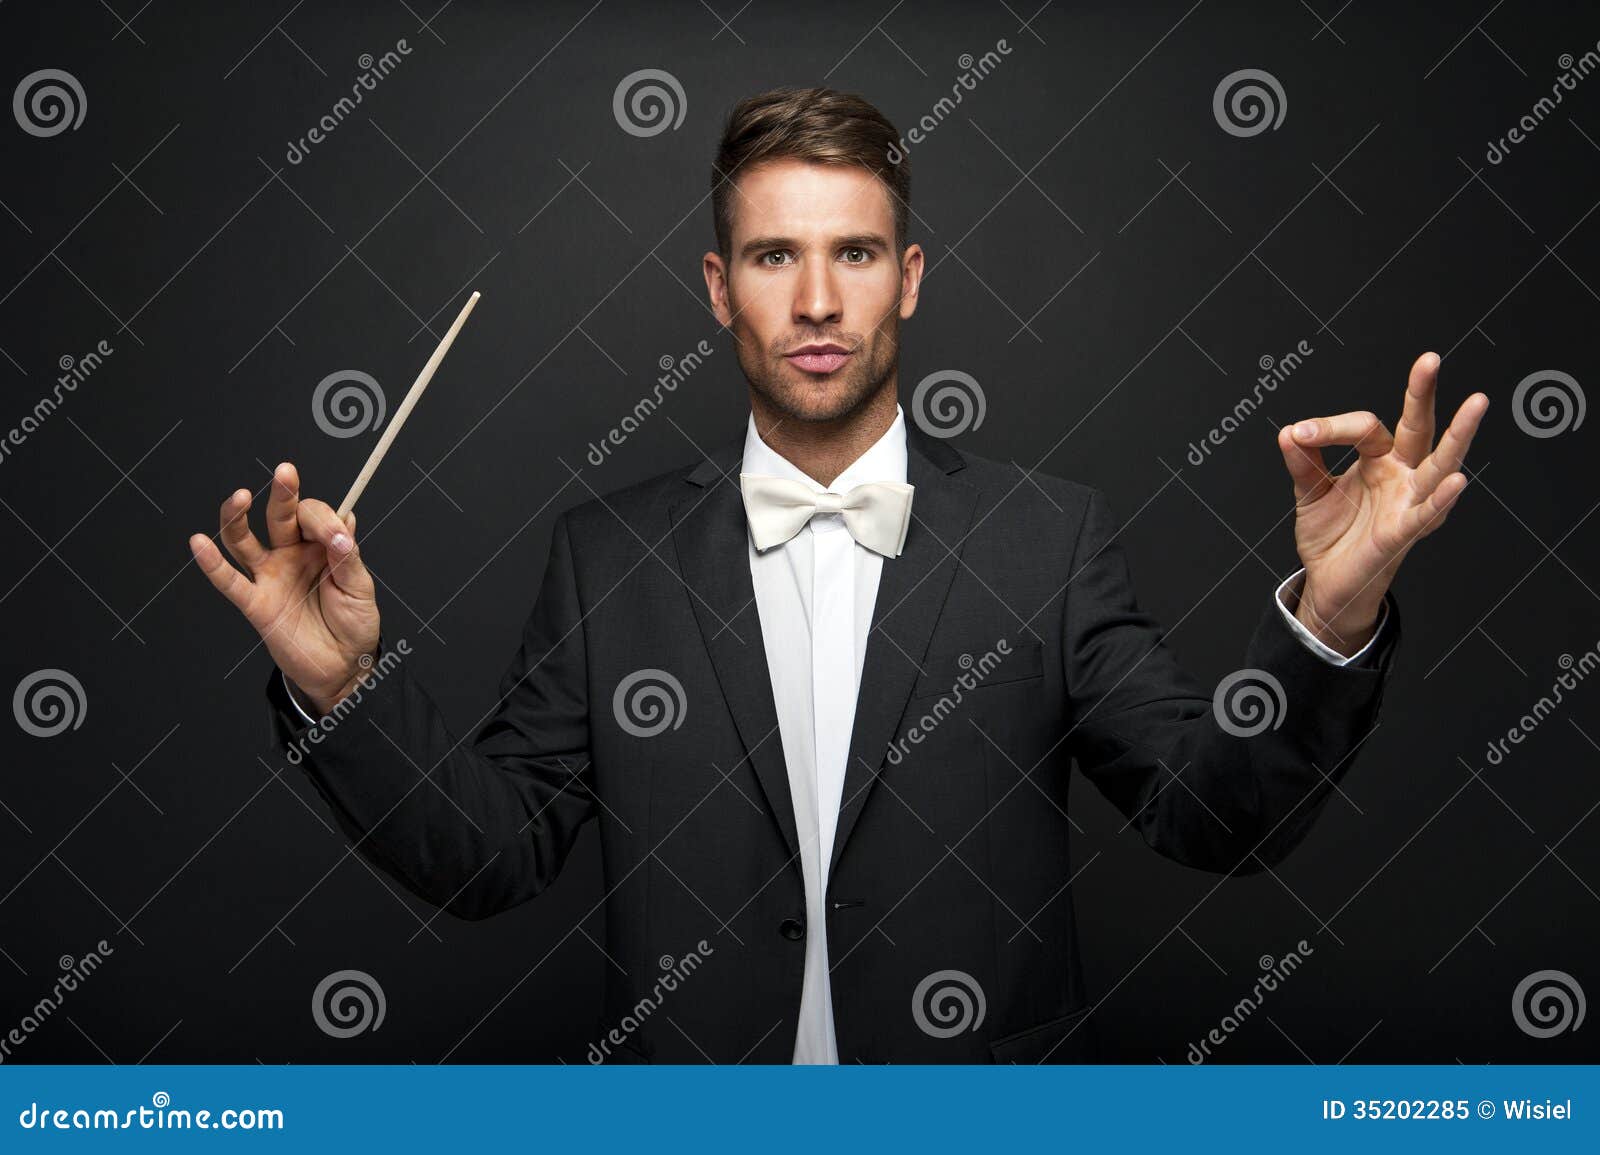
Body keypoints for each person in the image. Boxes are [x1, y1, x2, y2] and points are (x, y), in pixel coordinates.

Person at [189, 87, 1486, 1063]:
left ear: (906, 278)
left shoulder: (1048, 540)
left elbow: (1215, 821)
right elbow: (489, 860)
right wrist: (342, 692)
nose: (816, 299)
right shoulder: (608, 560)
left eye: (855, 253)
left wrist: (1333, 614)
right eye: (774, 256)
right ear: (719, 288)